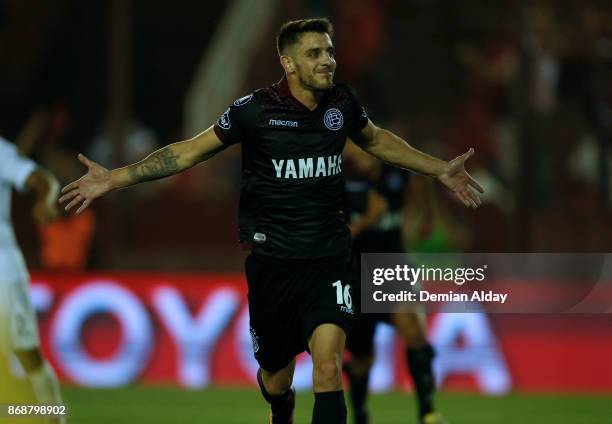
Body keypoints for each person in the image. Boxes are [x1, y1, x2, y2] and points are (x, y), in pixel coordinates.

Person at [59, 18, 483, 424]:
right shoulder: (254, 111)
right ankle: (281, 409)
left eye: (330, 51)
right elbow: (187, 152)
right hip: (273, 265)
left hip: (330, 257)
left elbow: (377, 140)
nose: (327, 60)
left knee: (328, 369)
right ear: (288, 62)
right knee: (277, 379)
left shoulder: (342, 103)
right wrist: (115, 178)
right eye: (314, 53)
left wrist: (439, 168)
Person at [343, 144, 445, 424]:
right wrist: (367, 220)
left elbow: (423, 180)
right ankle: (361, 413)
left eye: (362, 150)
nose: (356, 156)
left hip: (392, 267)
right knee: (362, 359)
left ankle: (428, 412)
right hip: (355, 275)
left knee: (414, 330)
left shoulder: (396, 172)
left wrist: (427, 217)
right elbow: (333, 237)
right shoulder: (341, 181)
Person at [0, 137, 65, 423]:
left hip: (2, 273)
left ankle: (53, 418)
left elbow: (43, 180)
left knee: (28, 356)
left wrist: (45, 201)